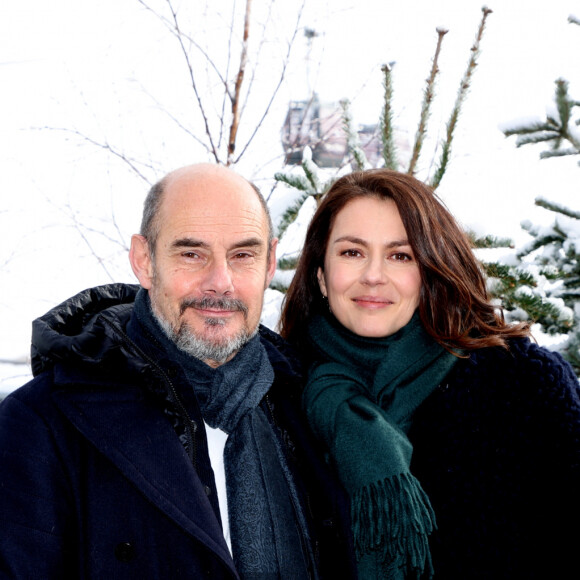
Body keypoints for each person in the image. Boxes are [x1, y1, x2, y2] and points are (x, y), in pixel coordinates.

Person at [0, 163, 356, 579]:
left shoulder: (312, 408)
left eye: (243, 255)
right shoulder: (42, 427)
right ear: (144, 260)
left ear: (269, 262)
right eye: (192, 253)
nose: (220, 282)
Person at [279, 168, 580, 579]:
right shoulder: (278, 399)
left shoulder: (523, 384)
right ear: (321, 275)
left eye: (400, 256)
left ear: (429, 272)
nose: (373, 275)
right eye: (352, 252)